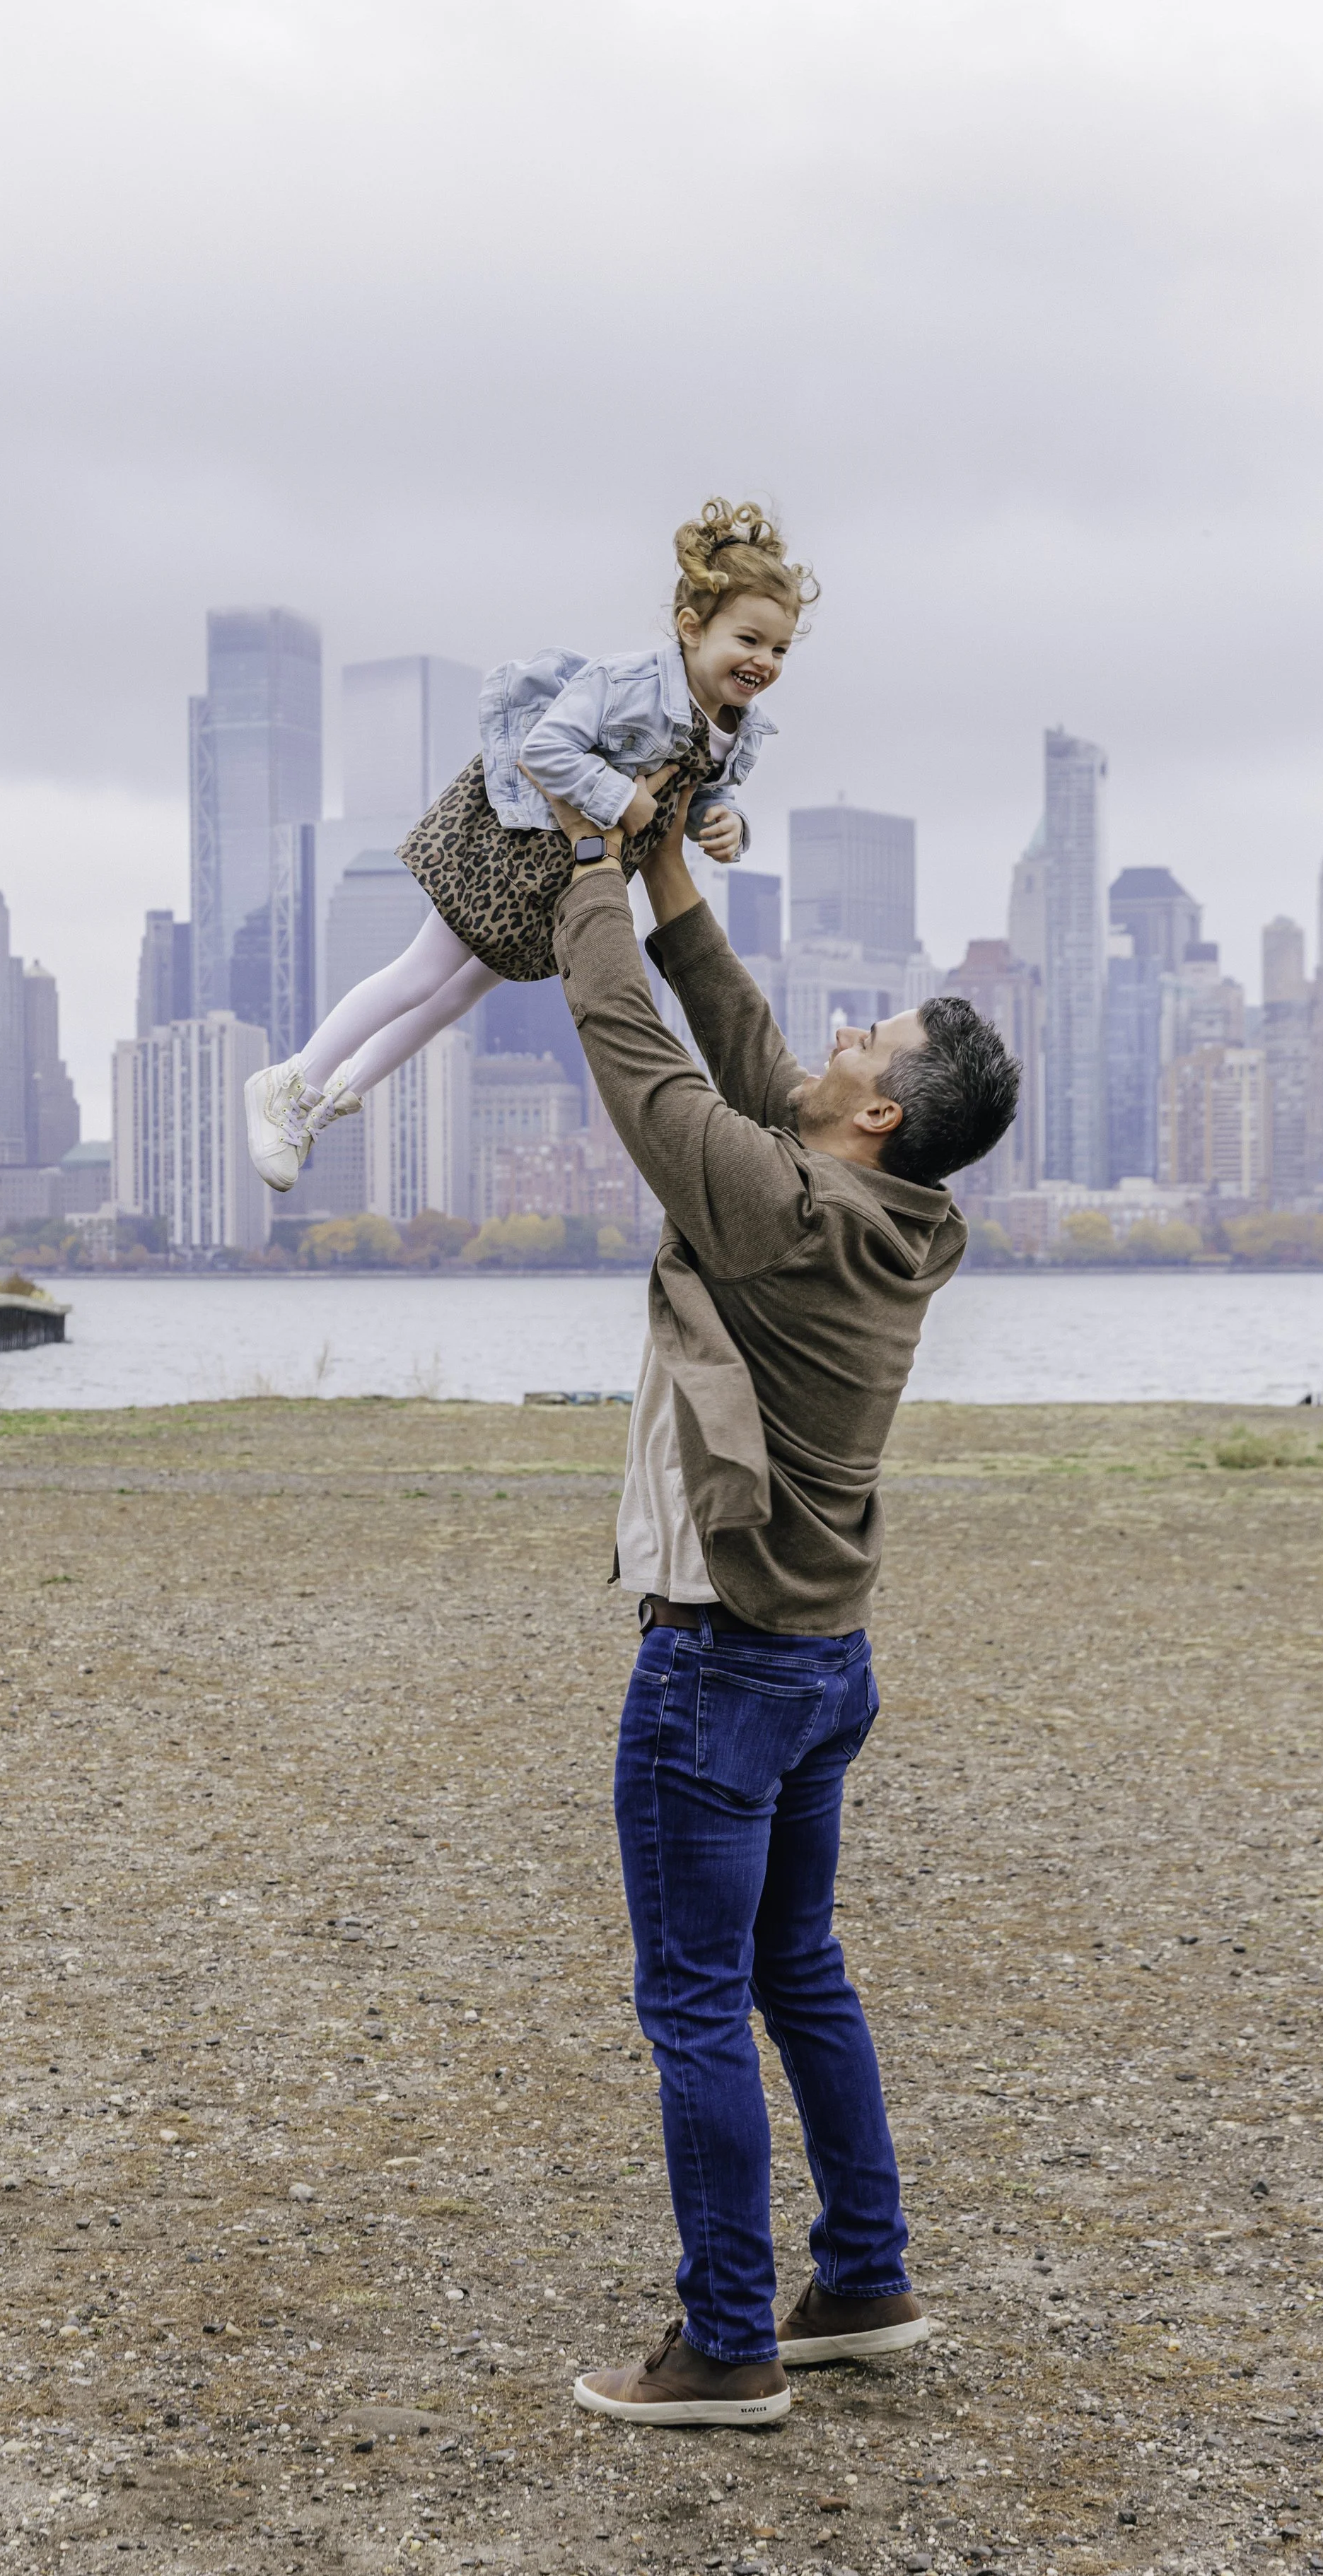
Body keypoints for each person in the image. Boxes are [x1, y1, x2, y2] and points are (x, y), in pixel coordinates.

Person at [540, 779, 1020, 2430]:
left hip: (724, 1667)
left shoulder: (790, 1204)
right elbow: (747, 1059)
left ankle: (728, 2340)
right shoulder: (899, 1211)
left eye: (864, 1038)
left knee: (694, 1999)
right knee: (796, 1965)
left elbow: (645, 1067)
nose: (835, 1034)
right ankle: (864, 2274)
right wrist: (669, 860)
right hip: (826, 1660)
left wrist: (583, 874)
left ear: (872, 1112)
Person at [242, 498, 812, 1189]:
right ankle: (290, 1077)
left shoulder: (737, 726)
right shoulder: (629, 684)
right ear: (691, 629)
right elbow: (545, 748)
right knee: (423, 972)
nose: (764, 661)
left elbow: (704, 795)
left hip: (574, 869)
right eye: (748, 640)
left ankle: (322, 1106)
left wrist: (726, 827)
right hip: (513, 844)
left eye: (779, 648)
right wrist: (620, 798)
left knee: (458, 997)